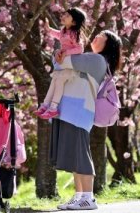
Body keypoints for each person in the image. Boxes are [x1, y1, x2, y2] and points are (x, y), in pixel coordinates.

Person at [49, 30, 122, 210]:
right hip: (71, 110)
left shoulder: (96, 60)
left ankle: (89, 198)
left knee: (81, 154)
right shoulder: (90, 58)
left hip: (80, 112)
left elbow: (62, 62)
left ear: (108, 45)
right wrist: (59, 57)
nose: (95, 38)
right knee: (76, 155)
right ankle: (79, 196)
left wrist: (61, 54)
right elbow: (57, 65)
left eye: (101, 37)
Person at [36, 8, 87, 120]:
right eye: (65, 14)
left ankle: (53, 107)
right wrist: (49, 29)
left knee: (58, 82)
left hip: (70, 66)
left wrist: (66, 53)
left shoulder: (74, 34)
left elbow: (80, 48)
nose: (64, 16)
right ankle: (45, 105)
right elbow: (58, 34)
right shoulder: (64, 31)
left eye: (68, 16)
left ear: (73, 22)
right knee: (53, 82)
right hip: (63, 64)